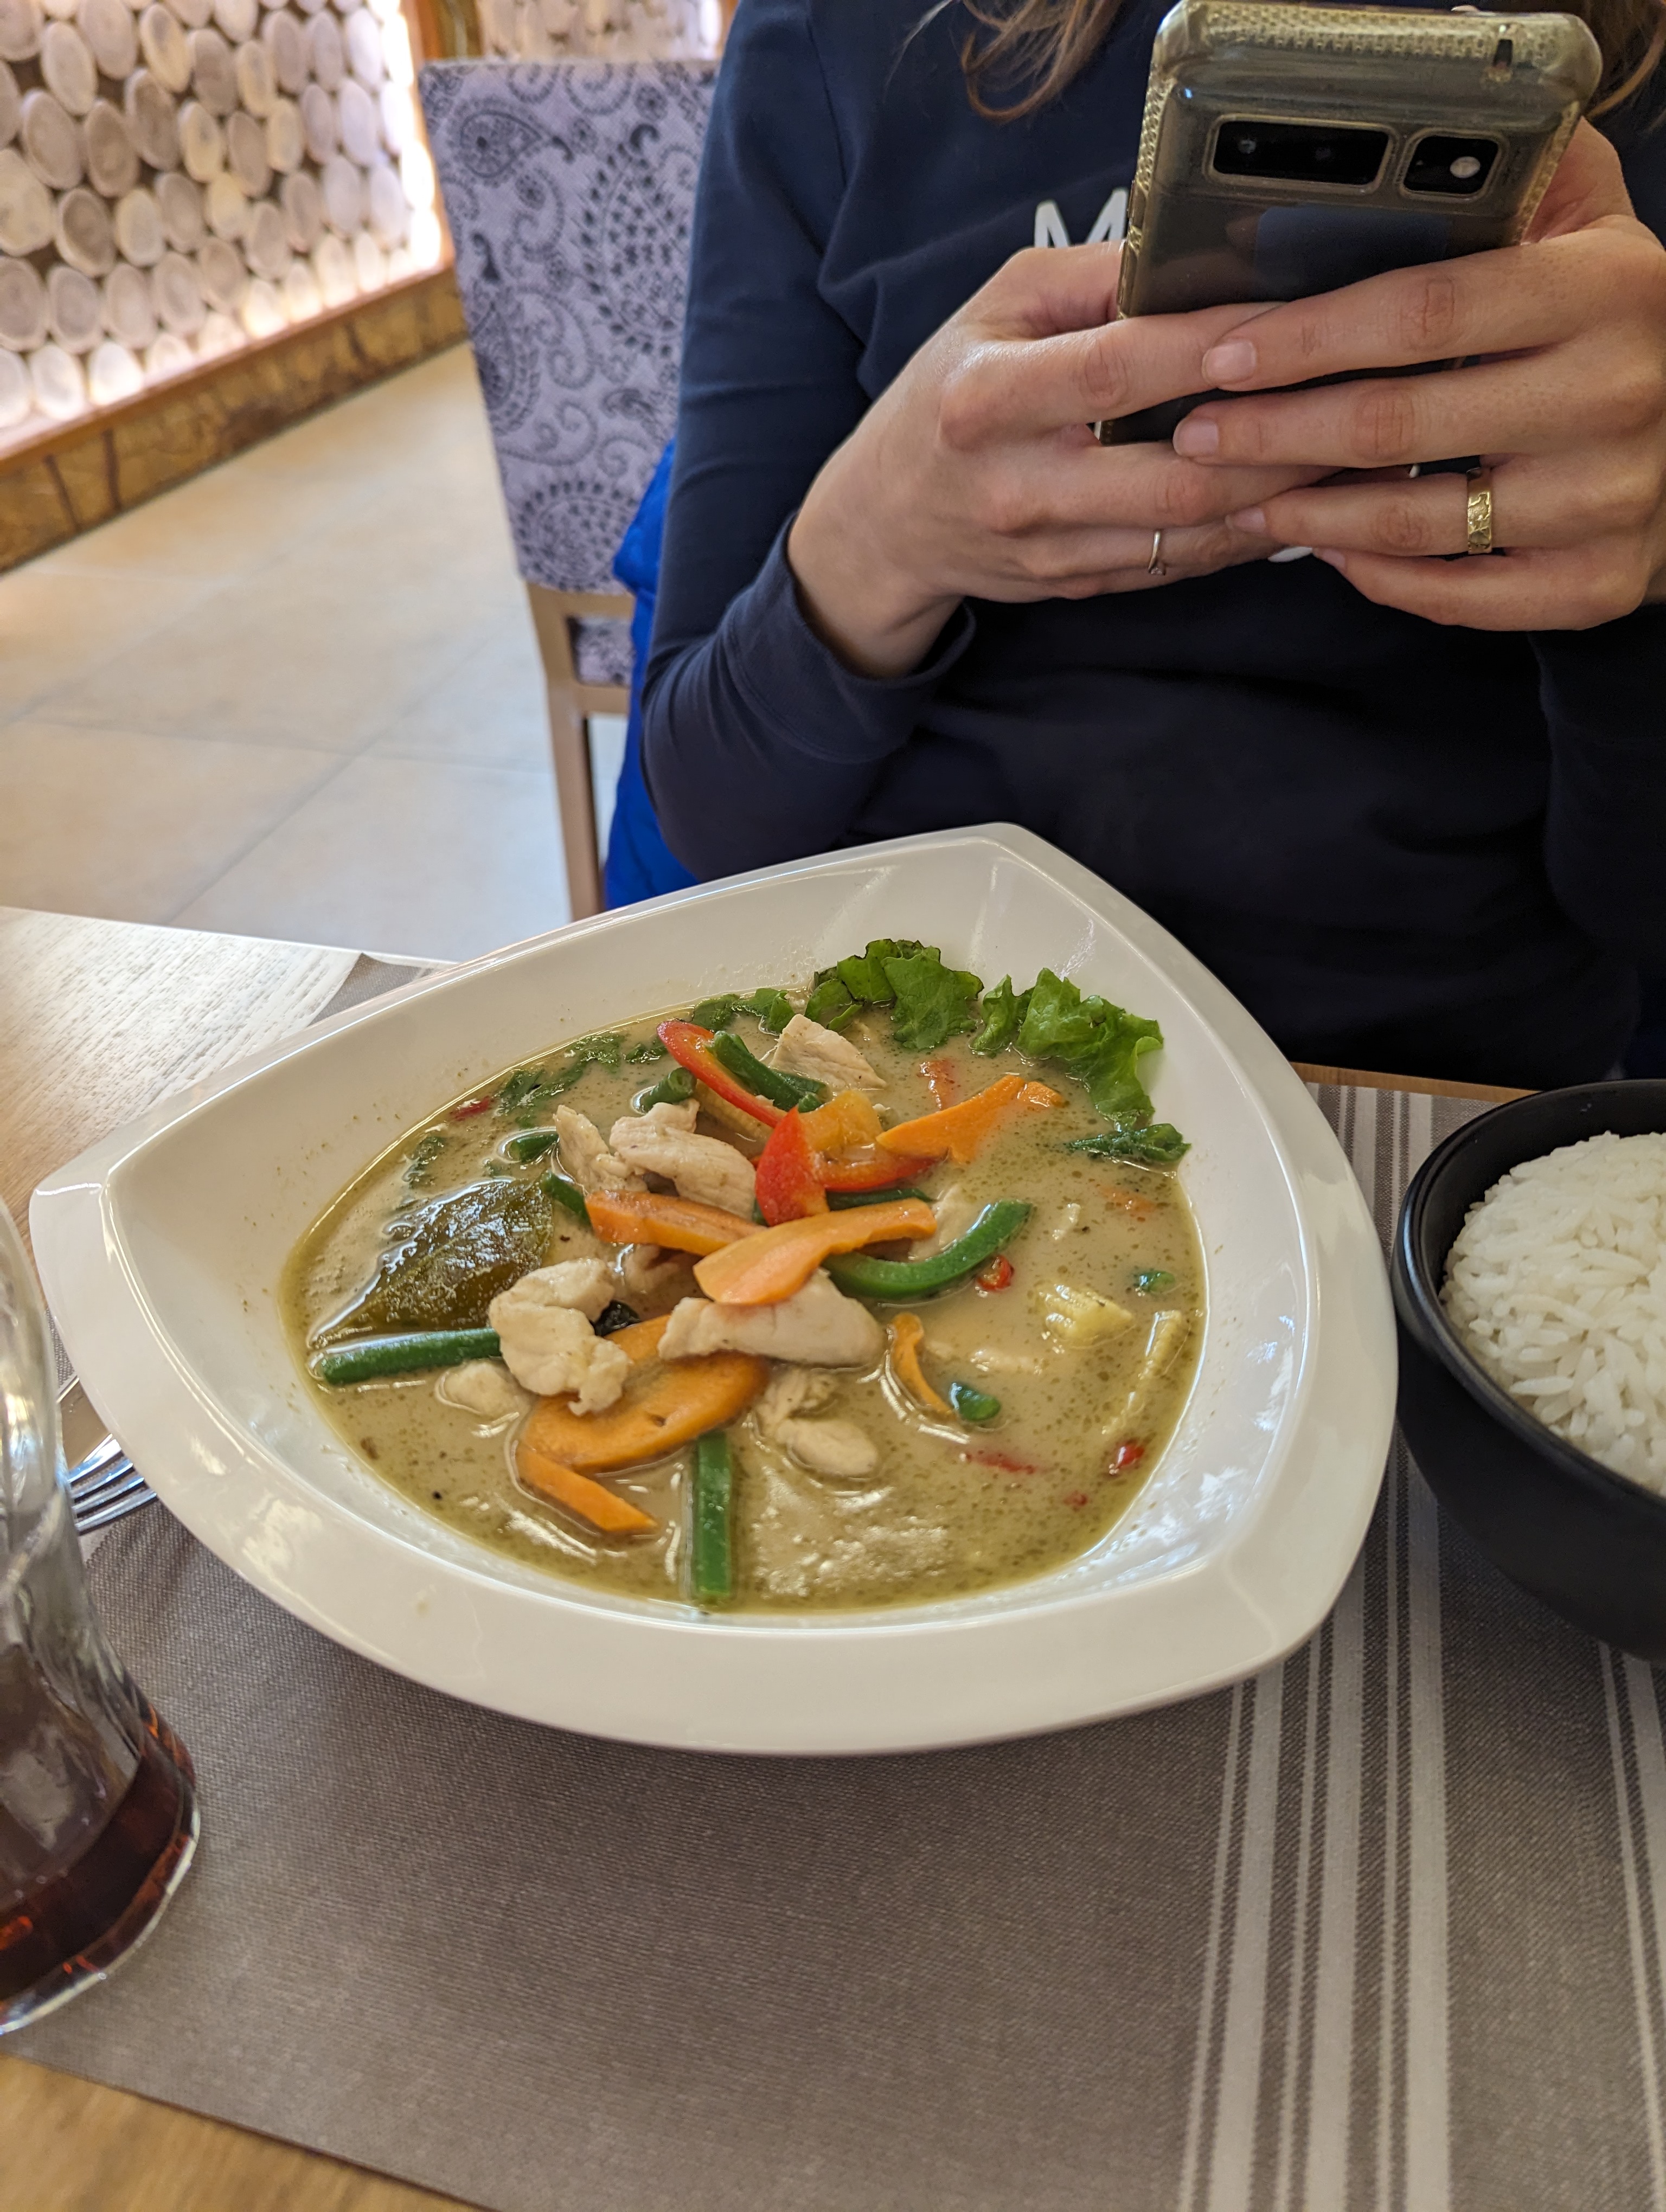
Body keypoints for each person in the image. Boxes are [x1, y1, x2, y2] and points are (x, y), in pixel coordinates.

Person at [636, 0, 1666, 1089]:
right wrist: (880, 536)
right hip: (910, 1042)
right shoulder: (835, 39)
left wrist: (1645, 574)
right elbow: (712, 814)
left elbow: (1643, 915)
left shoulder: (1630, 76)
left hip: (1446, 1074)